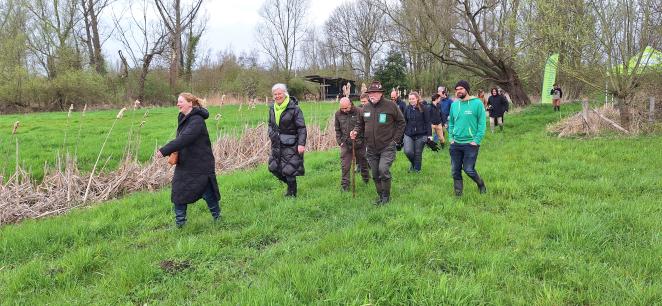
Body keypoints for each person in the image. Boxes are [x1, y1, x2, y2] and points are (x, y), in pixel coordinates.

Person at [156, 93, 221, 227]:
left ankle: (217, 218)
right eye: (177, 101)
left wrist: (164, 150)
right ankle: (180, 224)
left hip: (200, 163)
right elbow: (181, 139)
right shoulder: (183, 117)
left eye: (181, 102)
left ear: (190, 103)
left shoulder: (197, 120)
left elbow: (185, 138)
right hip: (186, 162)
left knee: (208, 192)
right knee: (178, 191)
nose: (178, 104)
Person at [350, 81, 405, 205]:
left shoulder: (391, 105)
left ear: (381, 93)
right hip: (371, 147)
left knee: (383, 169)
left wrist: (395, 140)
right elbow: (360, 124)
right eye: (370, 93)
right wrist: (355, 131)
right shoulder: (365, 108)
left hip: (387, 146)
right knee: (375, 173)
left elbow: (401, 122)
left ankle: (386, 197)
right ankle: (380, 196)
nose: (372, 95)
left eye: (375, 92)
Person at [448, 80, 487, 196]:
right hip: (456, 143)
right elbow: (451, 122)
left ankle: (481, 184)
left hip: (471, 143)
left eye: (461, 88)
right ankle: (458, 194)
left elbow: (482, 123)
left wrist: (477, 140)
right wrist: (451, 137)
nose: (458, 91)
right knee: (455, 170)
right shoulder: (454, 105)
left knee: (468, 169)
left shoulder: (477, 103)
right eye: (456, 89)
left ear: (466, 89)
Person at [268, 83, 307, 197]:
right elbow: (270, 124)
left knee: (290, 171)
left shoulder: (294, 108)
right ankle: (291, 187)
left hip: (291, 143)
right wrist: (271, 133)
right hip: (276, 143)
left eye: (279, 93)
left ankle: (292, 194)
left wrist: (301, 144)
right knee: (274, 168)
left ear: (285, 94)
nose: (277, 96)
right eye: (275, 94)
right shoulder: (272, 108)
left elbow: (301, 128)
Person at [335, 97, 370, 191]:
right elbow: (337, 129)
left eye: (346, 108)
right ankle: (345, 186)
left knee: (363, 163)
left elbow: (364, 126)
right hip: (345, 143)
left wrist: (359, 135)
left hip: (359, 143)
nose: (344, 110)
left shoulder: (359, 111)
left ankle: (366, 179)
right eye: (342, 108)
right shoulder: (338, 114)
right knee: (345, 166)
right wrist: (340, 142)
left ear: (350, 104)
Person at [403, 92, 432, 172]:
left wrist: (429, 135)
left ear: (417, 98)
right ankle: (414, 164)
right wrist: (402, 134)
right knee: (408, 151)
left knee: (418, 153)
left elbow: (427, 122)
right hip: (409, 134)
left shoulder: (424, 108)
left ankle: (417, 170)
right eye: (410, 99)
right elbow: (404, 121)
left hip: (421, 134)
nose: (411, 100)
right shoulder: (407, 108)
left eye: (413, 99)